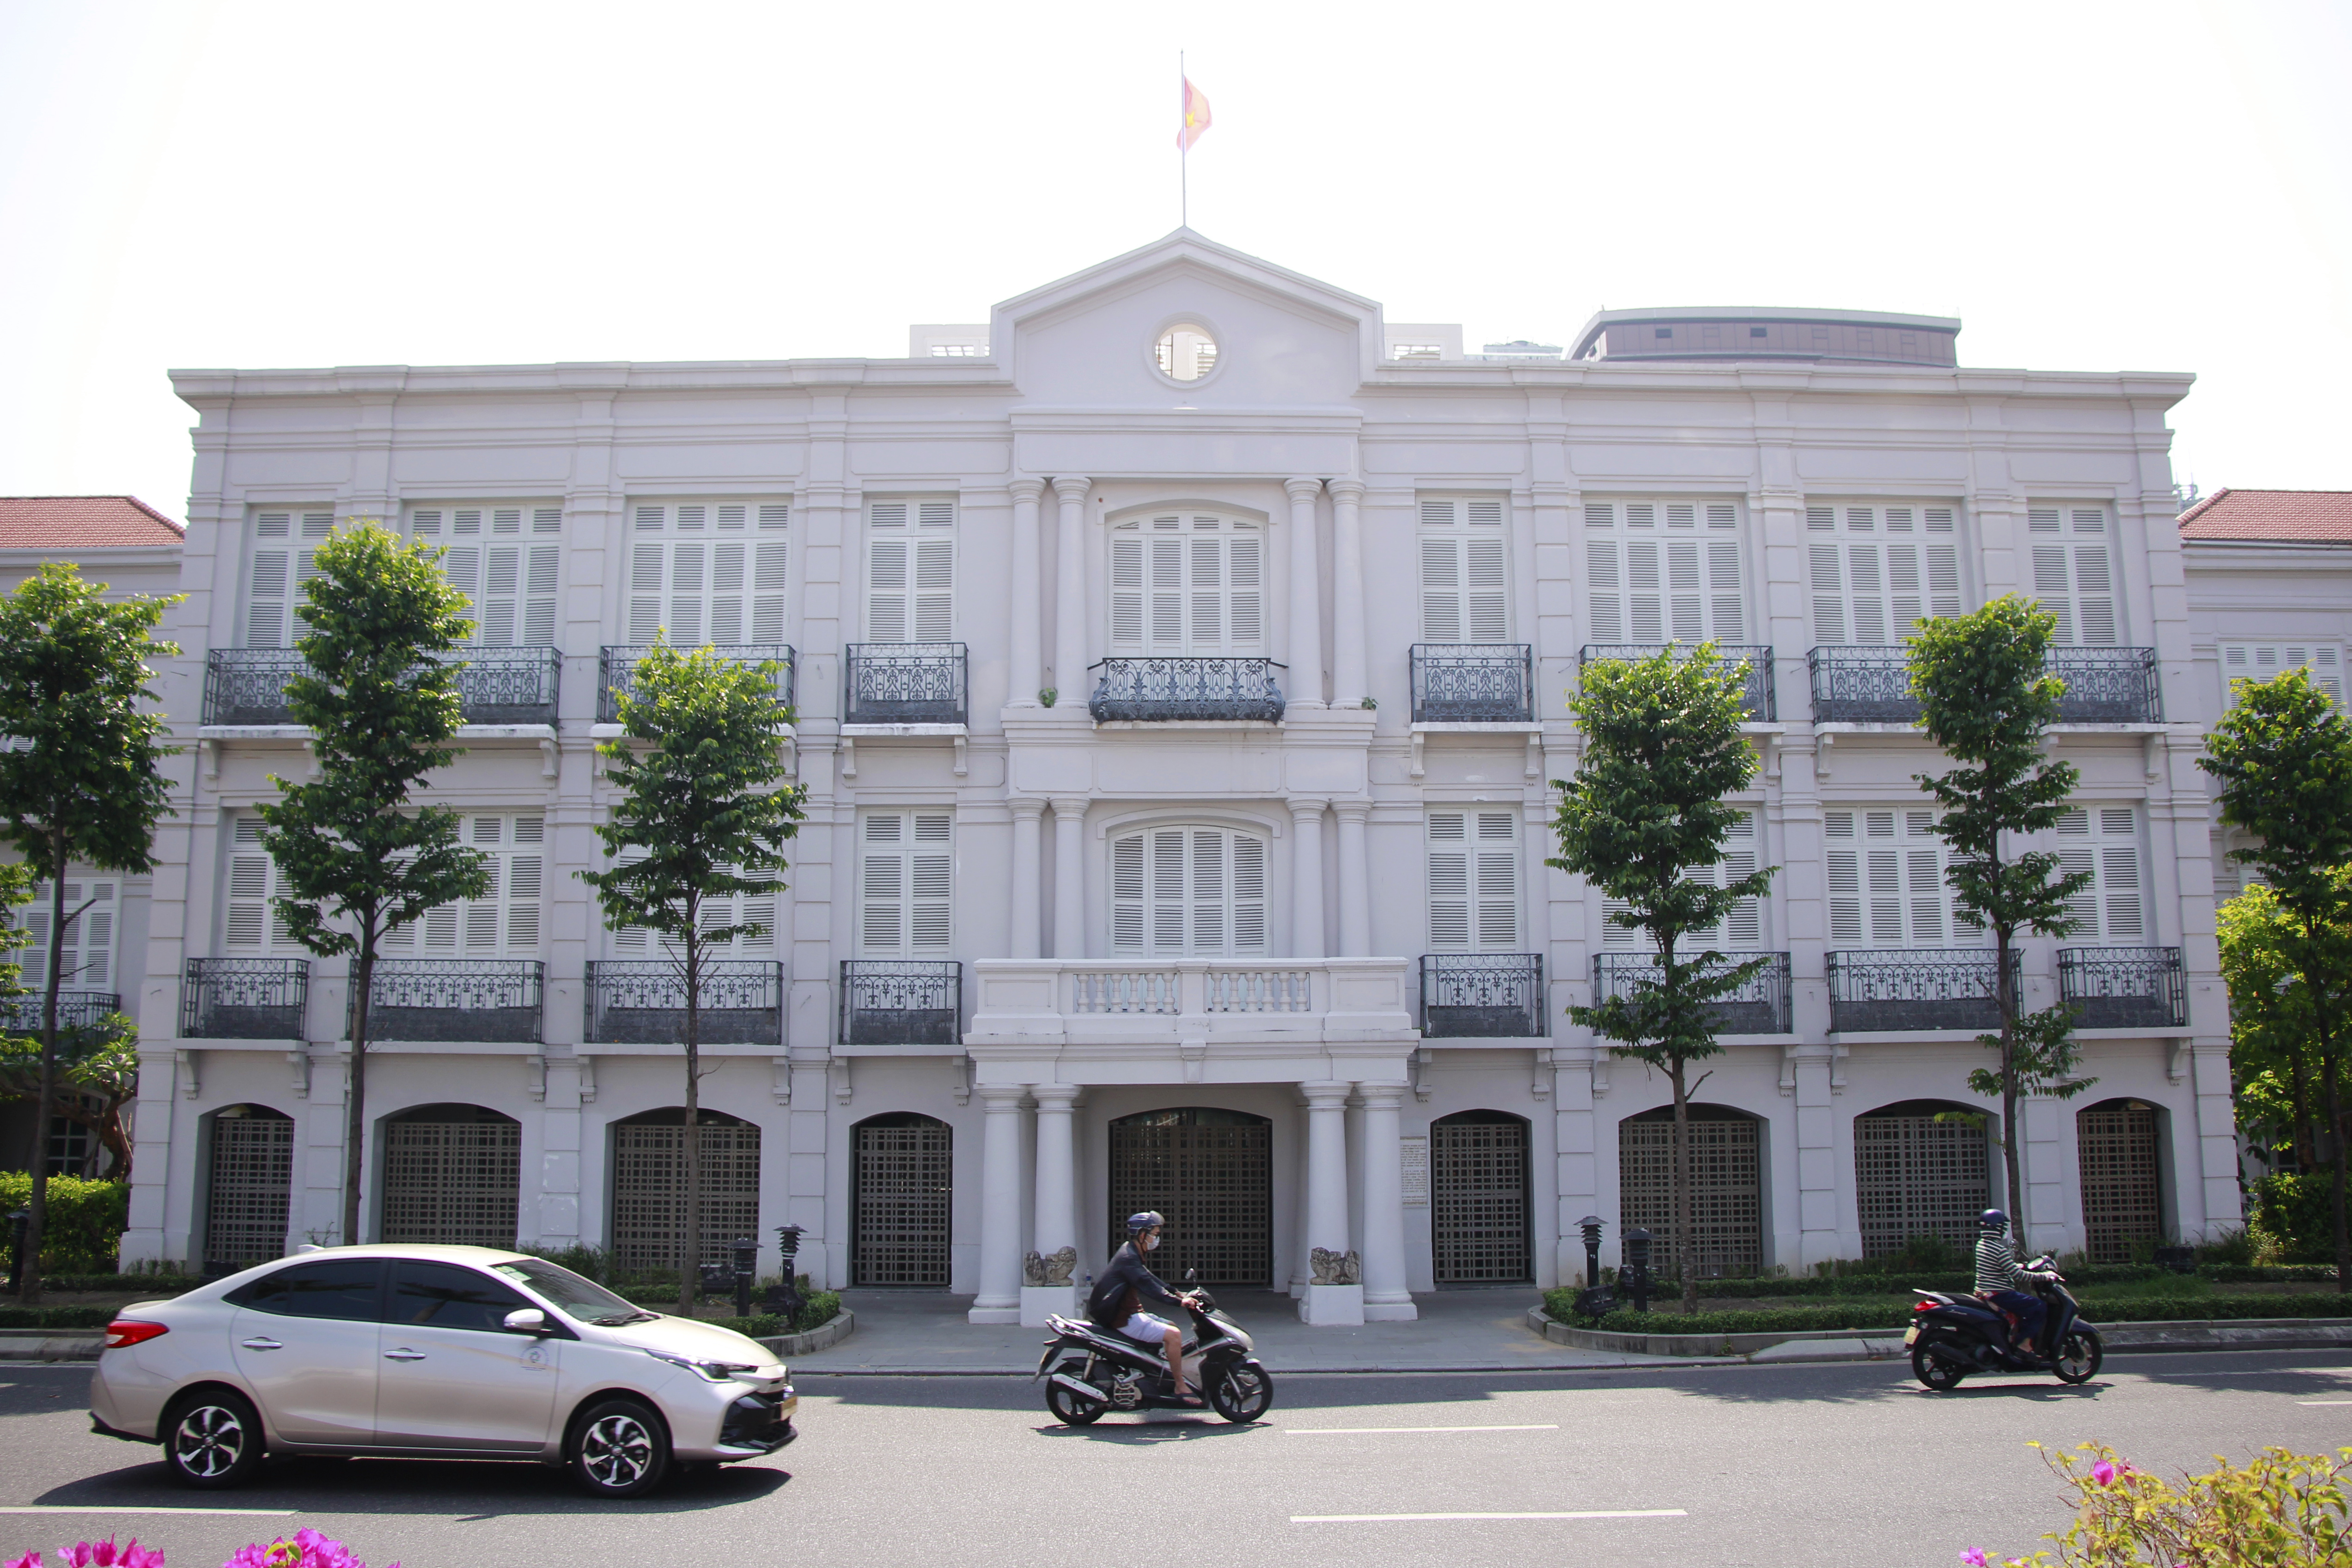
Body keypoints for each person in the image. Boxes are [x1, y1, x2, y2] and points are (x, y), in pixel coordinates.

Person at [1088, 1211, 1203, 1407]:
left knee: (1171, 1326)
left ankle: (1158, 1371)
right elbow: (1148, 1287)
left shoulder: (1131, 1252)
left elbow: (1149, 1277)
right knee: (1174, 1335)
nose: (1157, 1238)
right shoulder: (1129, 1258)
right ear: (1142, 1235)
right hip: (1124, 1319)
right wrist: (1179, 1303)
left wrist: (1177, 1292)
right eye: (1155, 1234)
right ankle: (1179, 1385)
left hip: (1130, 1314)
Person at [1974, 1208, 2053, 1357]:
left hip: (1984, 1292)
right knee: (2039, 1307)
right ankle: (2023, 1344)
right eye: (2003, 1226)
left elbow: (1995, 1267)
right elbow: (2018, 1276)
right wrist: (2044, 1276)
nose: (2004, 1229)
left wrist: (2017, 1265)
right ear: (1997, 1227)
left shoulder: (1981, 1245)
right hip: (2000, 1294)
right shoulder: (1999, 1249)